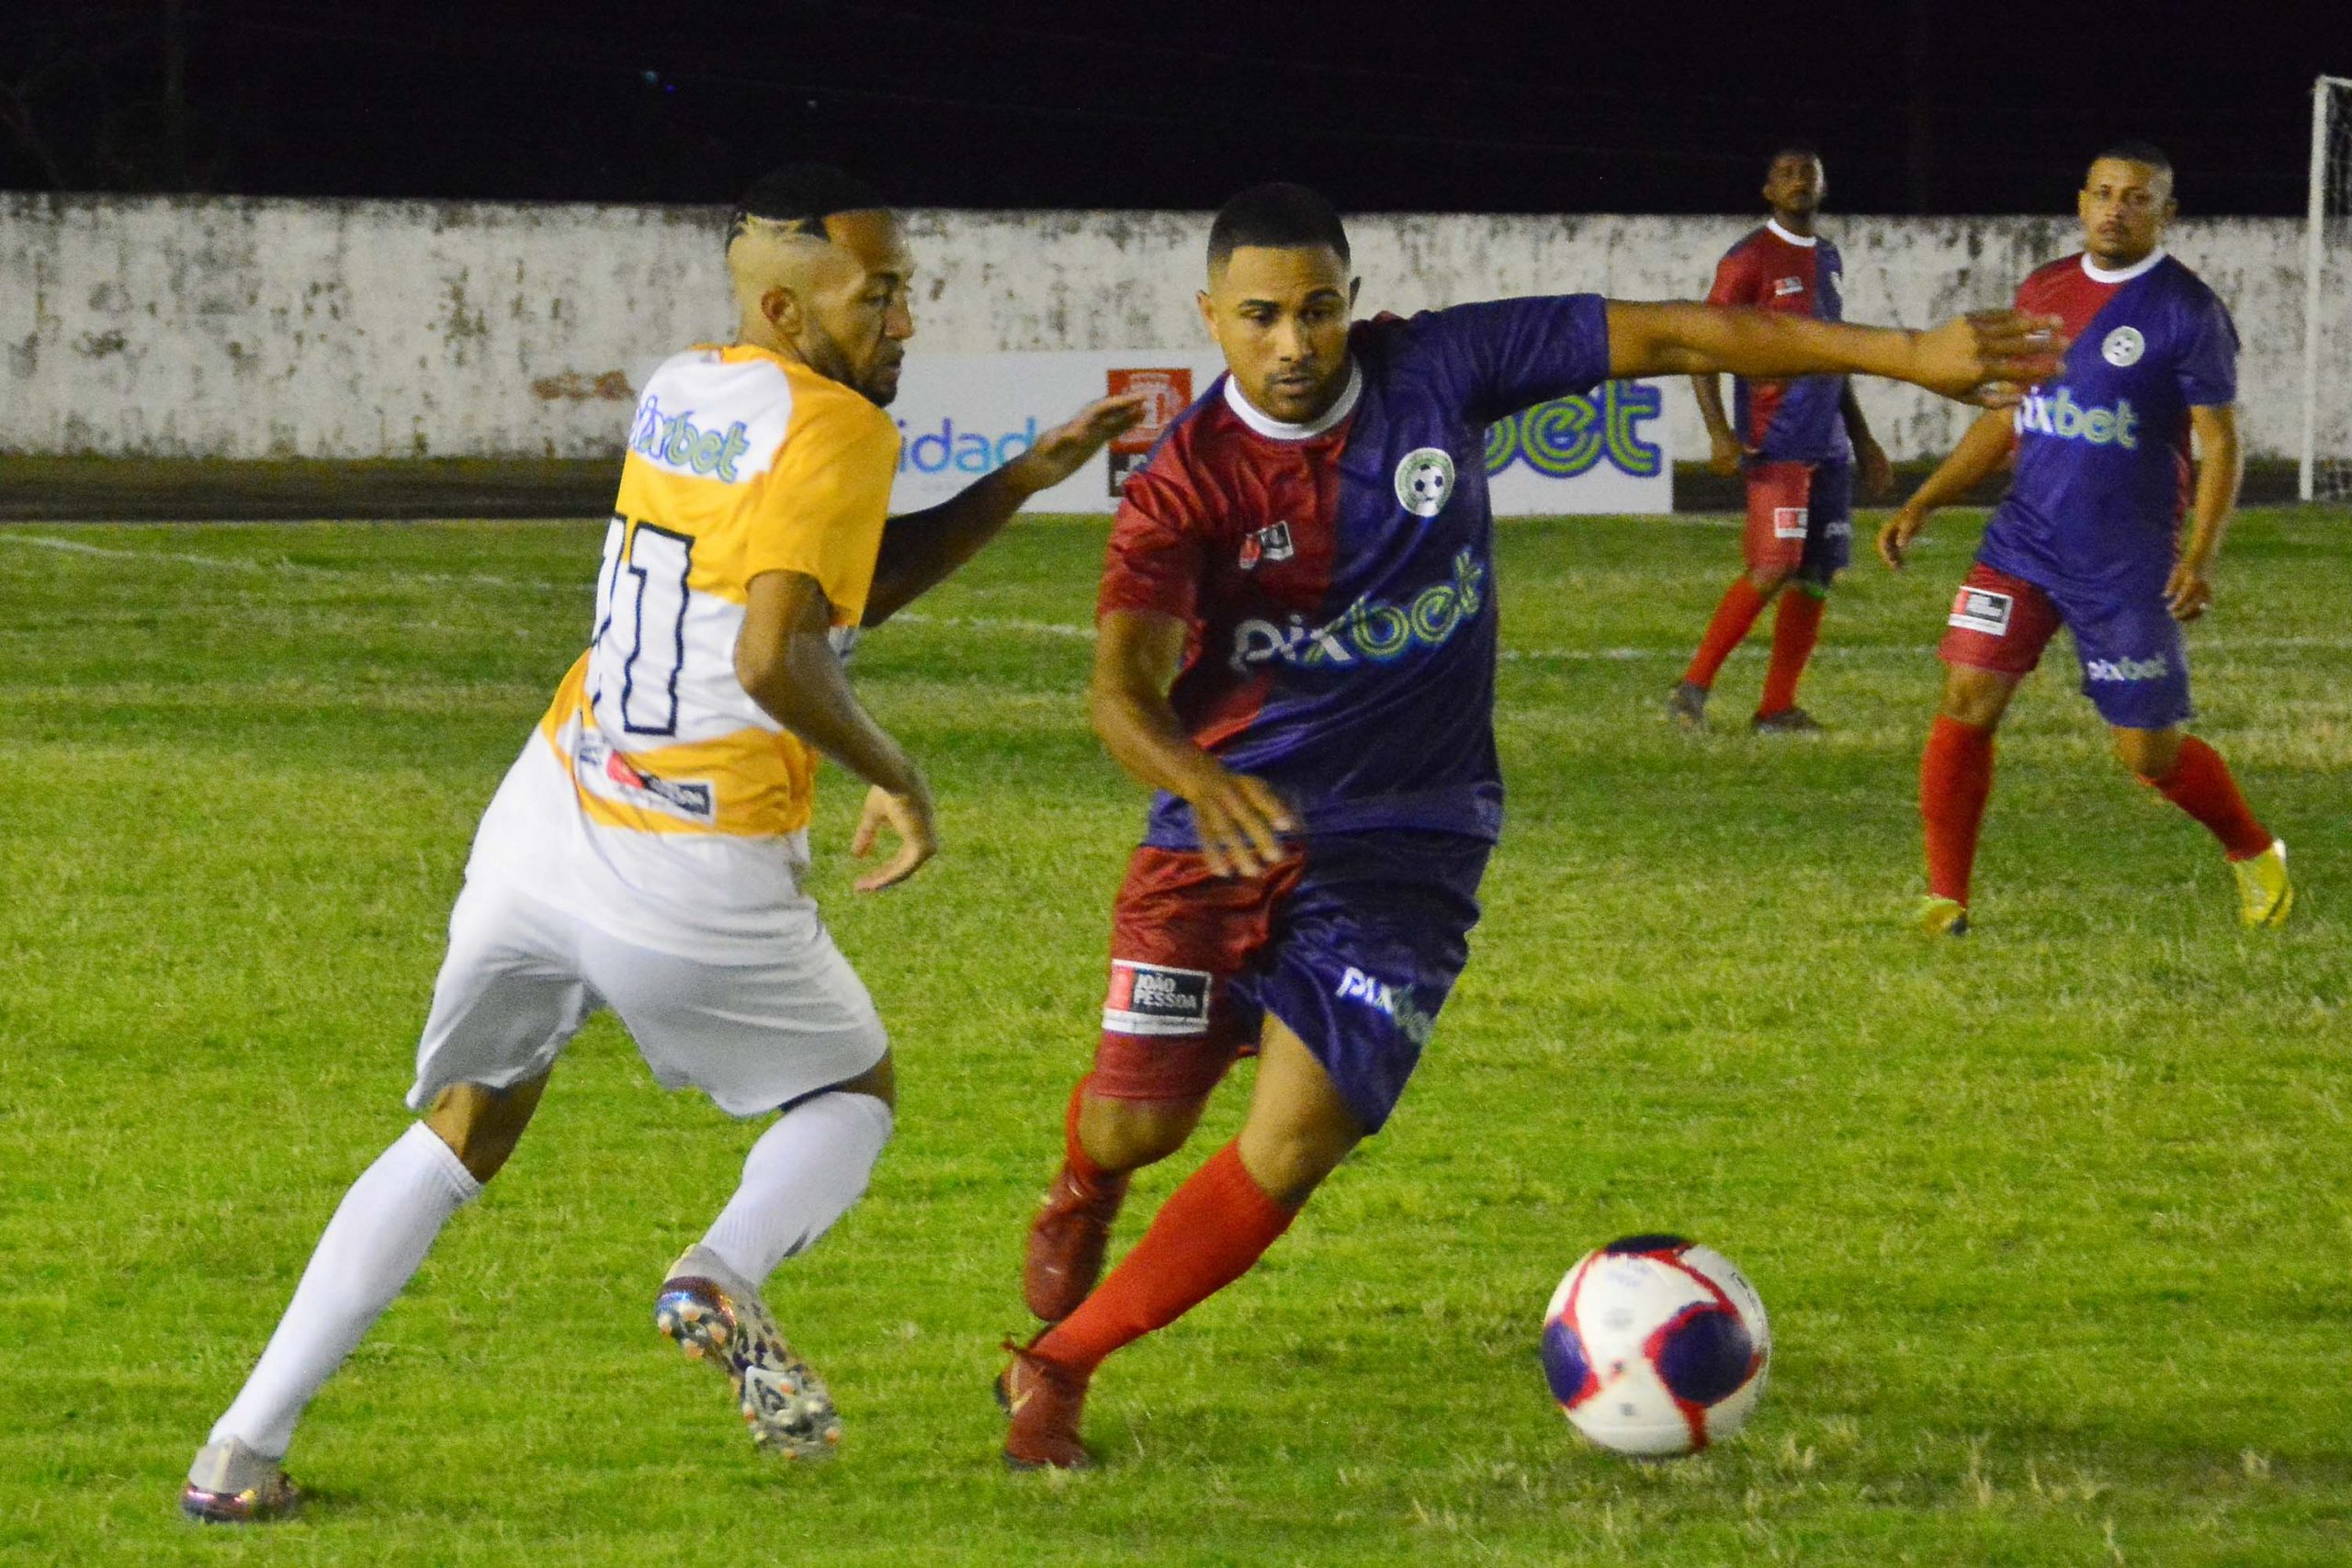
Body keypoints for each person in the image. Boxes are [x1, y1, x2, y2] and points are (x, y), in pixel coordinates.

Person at [998, 181, 2065, 1470]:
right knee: (1137, 1125)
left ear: (1352, 302)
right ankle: (1086, 1185)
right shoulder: (1185, 484)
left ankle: (1057, 1365)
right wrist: (1193, 771)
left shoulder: (1438, 366)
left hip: (1411, 837)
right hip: (1217, 833)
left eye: (1320, 311)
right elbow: (1119, 687)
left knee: (1292, 1138)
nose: (1295, 344)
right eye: (1264, 317)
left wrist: (1902, 355)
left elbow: (1676, 336)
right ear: (1212, 317)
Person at [180, 164, 1144, 1522]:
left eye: (908, 292)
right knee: (851, 1094)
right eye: (880, 297)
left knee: (462, 1128)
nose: (906, 323)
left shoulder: (688, 385)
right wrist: (897, 771)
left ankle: (237, 1449)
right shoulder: (838, 431)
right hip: (690, 857)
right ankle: (721, 1269)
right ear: (786, 307)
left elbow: (822, 596)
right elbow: (773, 655)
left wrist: (1013, 481)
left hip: (547, 813)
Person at [1878, 141, 2291, 935]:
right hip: (2024, 542)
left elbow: (2222, 446)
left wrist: (2198, 557)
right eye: (2103, 193)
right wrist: (1926, 499)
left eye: (2136, 198)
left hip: (2127, 562)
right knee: (1966, 698)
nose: (2115, 209)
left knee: (2150, 756)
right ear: (2079, 203)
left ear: (2167, 214)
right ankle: (1946, 898)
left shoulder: (2188, 311)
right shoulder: (2045, 288)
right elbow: (2008, 414)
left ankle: (2253, 848)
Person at [1670, 144, 1893, 734]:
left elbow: (1835, 353)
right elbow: (1701, 345)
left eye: (1808, 174)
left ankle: (1776, 707)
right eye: (1786, 174)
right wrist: (1718, 432)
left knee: (1816, 573)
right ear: (1768, 190)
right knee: (1774, 565)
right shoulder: (1748, 259)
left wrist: (1864, 438)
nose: (1798, 182)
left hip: (1830, 444)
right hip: (1777, 440)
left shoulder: (1829, 257)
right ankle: (1692, 687)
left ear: (1822, 188)